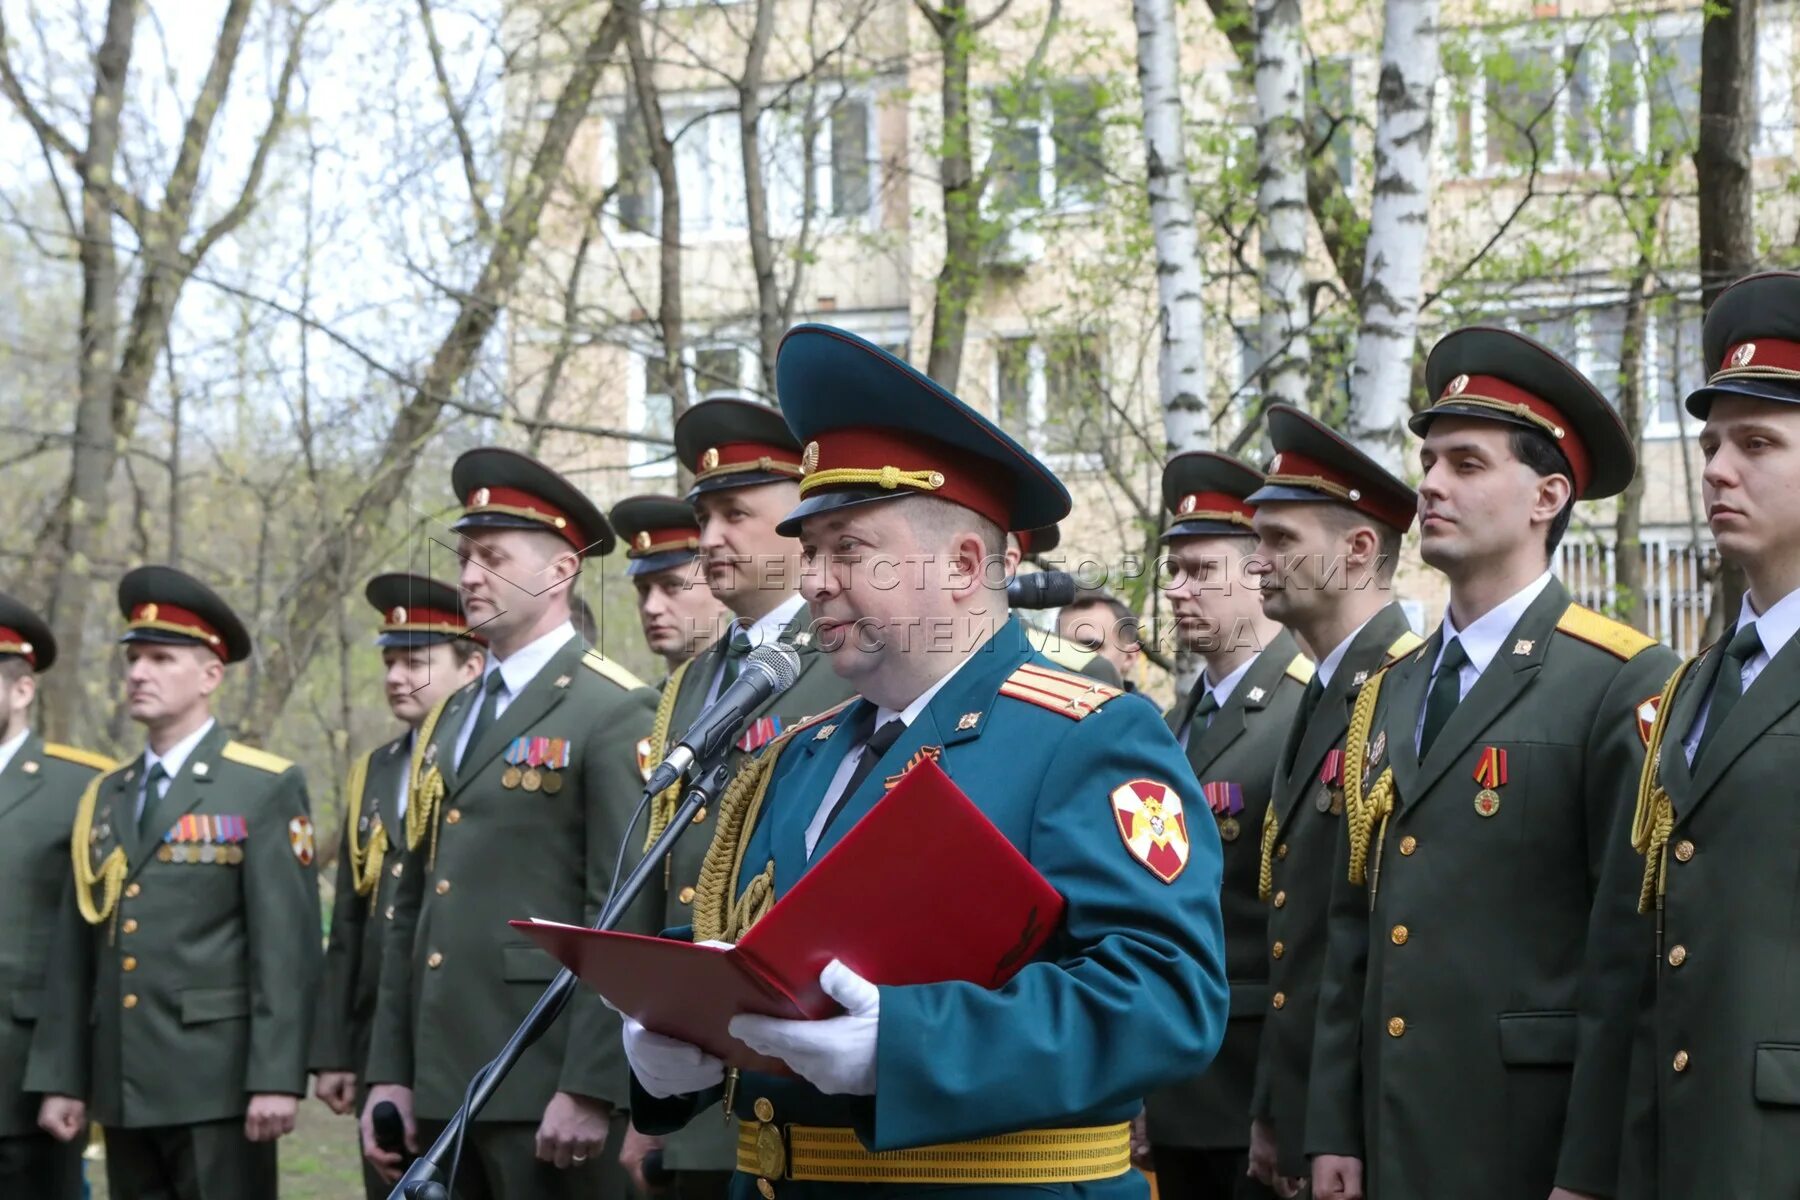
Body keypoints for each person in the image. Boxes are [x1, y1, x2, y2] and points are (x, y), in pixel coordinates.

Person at [623, 323, 1229, 1199]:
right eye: (810, 552)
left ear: (963, 563)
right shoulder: (801, 752)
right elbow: (775, 957)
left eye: (848, 550)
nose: (814, 582)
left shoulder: (1089, 735)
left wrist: (911, 1044)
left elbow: (1168, 996)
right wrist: (673, 1036)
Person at [1305, 328, 1679, 1200]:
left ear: (1548, 495)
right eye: (1430, 460)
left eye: (1466, 464)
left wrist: (1591, 1172)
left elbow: (1626, 952)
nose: (1430, 484)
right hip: (1386, 1135)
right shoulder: (1387, 689)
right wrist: (1332, 1124)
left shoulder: (1619, 679)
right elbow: (1352, 923)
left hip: (1524, 1140)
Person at [359, 448, 659, 1199]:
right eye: (465, 558)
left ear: (559, 572)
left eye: (492, 558)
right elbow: (414, 908)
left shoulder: (611, 709)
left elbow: (621, 911)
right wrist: (393, 1072)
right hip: (444, 1083)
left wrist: (591, 1084)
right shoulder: (452, 713)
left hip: (546, 1085)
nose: (467, 576)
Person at [623, 399, 858, 1198]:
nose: (710, 537)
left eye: (735, 514)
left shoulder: (845, 657)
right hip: (694, 1065)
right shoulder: (695, 677)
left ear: (799, 519)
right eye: (704, 515)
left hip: (795, 1065)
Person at [27, 566, 322, 1199]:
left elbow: (285, 948)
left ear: (211, 675)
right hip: (124, 1081)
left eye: (161, 658)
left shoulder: (262, 785)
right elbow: (78, 949)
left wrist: (276, 1077)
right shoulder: (107, 793)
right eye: (134, 658)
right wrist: (63, 1076)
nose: (138, 673)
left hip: (216, 1083)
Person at [1613, 271, 1800, 1199]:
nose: (1718, 468)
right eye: (1712, 443)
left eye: (1757, 444)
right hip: (1680, 1147)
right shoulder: (1696, 680)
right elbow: (1643, 949)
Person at [1238, 404, 1420, 1197]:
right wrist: (1277, 1106)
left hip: (1379, 1121)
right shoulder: (1324, 693)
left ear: (1355, 552)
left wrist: (1332, 1121)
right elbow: (1298, 940)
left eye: (1281, 541)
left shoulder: (1406, 691)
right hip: (1314, 1110)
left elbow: (1380, 944)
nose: (1257, 564)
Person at [1142, 452, 1309, 1199]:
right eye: (1172, 571)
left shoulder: (1304, 709)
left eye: (1201, 571)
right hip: (1175, 1081)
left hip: (1251, 1089)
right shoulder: (1173, 724)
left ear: (1257, 573)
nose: (1177, 590)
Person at [309, 574, 485, 1199]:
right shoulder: (375, 770)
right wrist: (333, 1049)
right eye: (388, 660)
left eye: (415, 660)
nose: (393, 676)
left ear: (472, 666)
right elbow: (351, 921)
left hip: (462, 1021)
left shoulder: (484, 763)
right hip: (380, 1035)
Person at [0, 593, 113, 1200]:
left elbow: (97, 943)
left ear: (21, 691)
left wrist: (69, 1075)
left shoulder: (83, 786)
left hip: (22, 1079)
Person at [609, 494, 730, 675]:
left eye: (672, 586)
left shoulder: (759, 692)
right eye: (644, 589)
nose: (651, 607)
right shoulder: (646, 701)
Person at [1058, 590, 1143, 690]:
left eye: (1090, 646)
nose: (1070, 657)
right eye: (1063, 646)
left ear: (1129, 657)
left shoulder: (1139, 706)